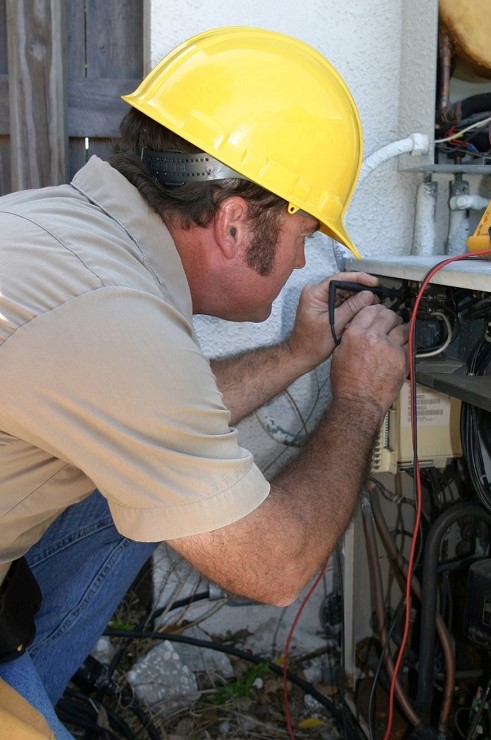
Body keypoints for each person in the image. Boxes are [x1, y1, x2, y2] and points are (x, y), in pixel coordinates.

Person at [0, 27, 409, 737]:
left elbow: (165, 423)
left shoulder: (70, 236)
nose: (300, 262)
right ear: (232, 222)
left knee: (145, 492)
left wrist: (299, 353)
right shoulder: (115, 321)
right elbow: (276, 567)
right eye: (305, 235)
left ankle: (31, 686)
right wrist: (361, 398)